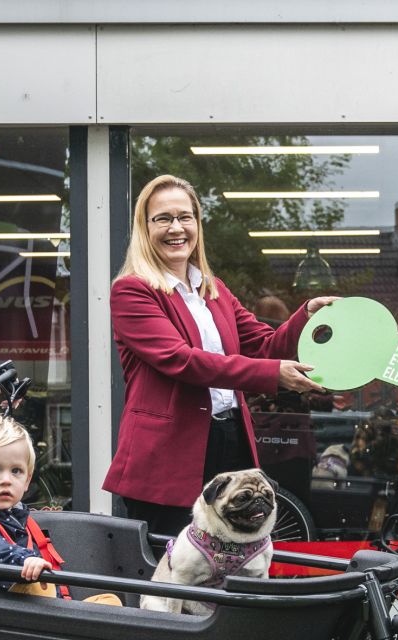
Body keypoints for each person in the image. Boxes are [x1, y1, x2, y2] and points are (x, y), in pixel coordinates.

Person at [104, 174, 338, 538]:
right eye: (163, 218)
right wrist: (273, 374)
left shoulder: (214, 291)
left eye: (186, 217)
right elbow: (182, 360)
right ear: (144, 228)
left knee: (233, 564)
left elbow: (264, 346)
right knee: (170, 575)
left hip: (230, 440)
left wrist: (304, 315)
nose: (176, 228)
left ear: (197, 224)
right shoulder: (132, 291)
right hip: (168, 456)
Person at [0, 413, 122, 604]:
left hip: (45, 610)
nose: (6, 480)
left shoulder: (15, 518)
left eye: (16, 471)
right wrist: (25, 560)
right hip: (10, 616)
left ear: (27, 480)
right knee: (35, 585)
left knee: (110, 601)